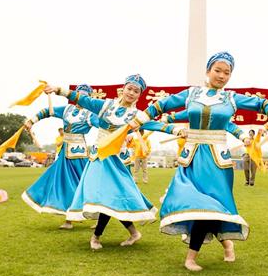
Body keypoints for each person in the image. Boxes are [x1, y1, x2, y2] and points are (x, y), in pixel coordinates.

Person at [131, 52, 268, 271]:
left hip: (217, 163)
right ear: (207, 71)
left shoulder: (231, 99)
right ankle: (222, 246)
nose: (222, 76)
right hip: (191, 159)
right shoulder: (191, 94)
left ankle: (194, 256)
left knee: (211, 207)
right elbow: (160, 106)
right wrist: (139, 120)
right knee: (197, 205)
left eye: (227, 73)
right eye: (218, 70)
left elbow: (261, 104)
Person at [44, 74, 183, 250]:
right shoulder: (106, 105)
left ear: (139, 96)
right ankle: (124, 234)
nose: (131, 93)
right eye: (129, 89)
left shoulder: (136, 115)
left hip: (114, 161)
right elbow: (82, 99)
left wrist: (177, 130)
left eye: (136, 91)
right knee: (104, 197)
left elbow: (155, 125)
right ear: (123, 89)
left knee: (110, 198)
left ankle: (98, 236)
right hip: (97, 158)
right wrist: (59, 90)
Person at [21, 84, 99, 230]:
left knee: (85, 184)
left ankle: (98, 215)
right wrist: (32, 121)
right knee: (63, 182)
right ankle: (69, 219)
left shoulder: (90, 114)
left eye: (84, 97)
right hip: (65, 153)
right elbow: (47, 111)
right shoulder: (67, 110)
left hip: (79, 153)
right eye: (79, 95)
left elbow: (103, 126)